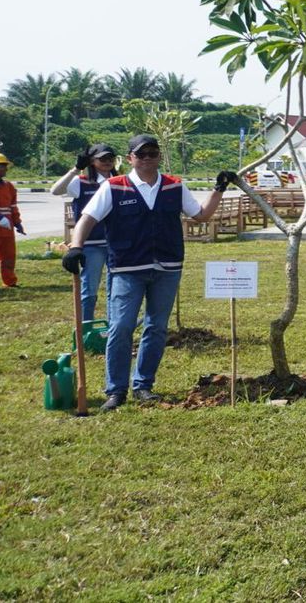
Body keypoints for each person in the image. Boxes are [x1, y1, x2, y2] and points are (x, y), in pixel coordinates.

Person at [60, 134, 232, 410]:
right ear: (130, 158)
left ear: (159, 157)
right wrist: (76, 247)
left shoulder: (174, 186)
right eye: (141, 154)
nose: (147, 159)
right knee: (121, 326)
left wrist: (218, 188)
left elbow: (200, 215)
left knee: (156, 328)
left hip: (167, 267)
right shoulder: (115, 187)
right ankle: (116, 390)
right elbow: (87, 219)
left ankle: (143, 385)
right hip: (127, 269)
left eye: (152, 153)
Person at [50, 143, 119, 317]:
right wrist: (76, 169)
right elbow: (55, 190)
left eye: (110, 158)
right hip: (91, 244)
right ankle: (86, 327)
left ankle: (113, 326)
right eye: (102, 158)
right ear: (91, 161)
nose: (107, 161)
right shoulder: (81, 182)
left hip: (116, 243)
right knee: (89, 289)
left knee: (116, 289)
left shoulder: (119, 182)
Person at [0, 153, 22, 288]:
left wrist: (18, 223)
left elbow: (13, 206)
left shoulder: (9, 186)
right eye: (3, 166)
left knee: (9, 256)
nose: (6, 169)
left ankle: (10, 281)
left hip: (7, 229)